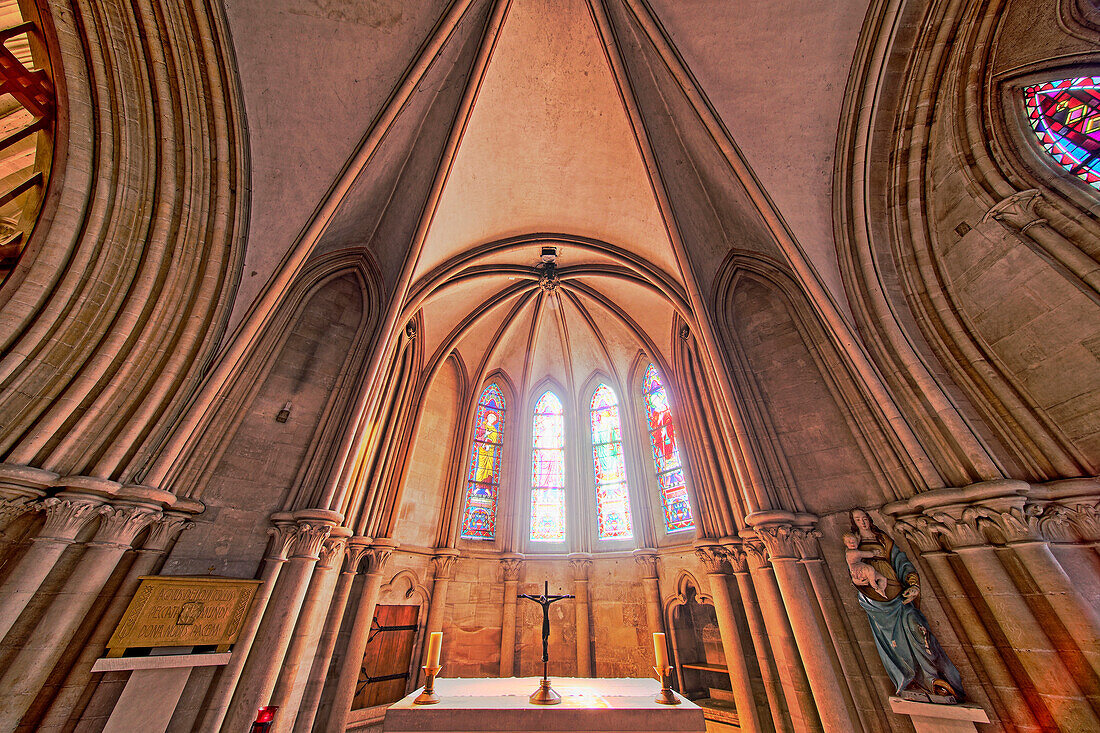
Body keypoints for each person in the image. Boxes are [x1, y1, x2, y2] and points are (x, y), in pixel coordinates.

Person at [847, 508, 965, 702]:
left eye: (865, 518)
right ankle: (910, 679)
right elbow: (855, 570)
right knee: (895, 643)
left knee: (918, 629)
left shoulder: (883, 540)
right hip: (877, 603)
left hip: (899, 595)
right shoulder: (854, 545)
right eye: (858, 519)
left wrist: (913, 584)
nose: (863, 522)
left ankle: (933, 677)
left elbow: (901, 562)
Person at [843, 532, 889, 596]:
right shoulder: (852, 553)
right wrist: (874, 552)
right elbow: (867, 554)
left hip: (862, 569)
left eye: (853, 541)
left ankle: (882, 589)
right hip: (858, 571)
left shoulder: (852, 549)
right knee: (870, 569)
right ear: (846, 544)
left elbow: (855, 546)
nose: (852, 543)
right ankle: (875, 586)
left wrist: (858, 539)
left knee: (883, 578)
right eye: (849, 542)